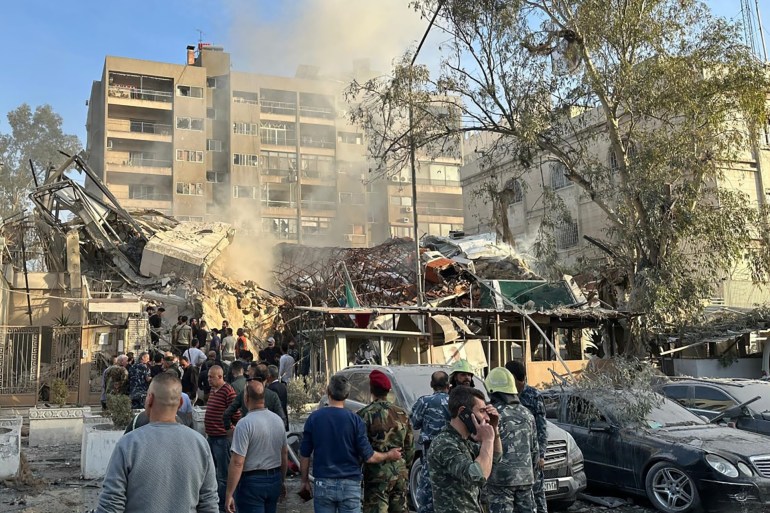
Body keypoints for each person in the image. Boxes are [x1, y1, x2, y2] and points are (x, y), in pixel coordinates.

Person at [96, 372, 218, 513]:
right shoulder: (200, 444)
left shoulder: (129, 444)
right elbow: (209, 502)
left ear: (149, 399)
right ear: (181, 403)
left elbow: (111, 504)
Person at [300, 374, 403, 513]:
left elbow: (304, 454)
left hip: (323, 483)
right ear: (347, 395)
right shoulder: (355, 420)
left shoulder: (314, 419)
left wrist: (304, 480)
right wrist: (389, 455)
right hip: (350, 485)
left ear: (328, 391)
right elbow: (369, 456)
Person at [428, 385, 502, 513]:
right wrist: (488, 440)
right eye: (481, 411)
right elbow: (478, 475)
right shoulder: (445, 443)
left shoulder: (464, 441)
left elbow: (495, 458)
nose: (487, 418)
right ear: (464, 412)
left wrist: (494, 430)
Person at [224, 380, 288, 513]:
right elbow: (284, 454)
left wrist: (229, 493)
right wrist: (281, 480)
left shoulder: (244, 424)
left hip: (252, 482)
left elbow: (237, 462)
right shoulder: (277, 420)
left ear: (246, 398)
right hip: (274, 477)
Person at [357, 370, 414, 513]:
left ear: (371, 389)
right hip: (400, 472)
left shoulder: (364, 414)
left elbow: (360, 448)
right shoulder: (402, 414)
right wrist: (404, 466)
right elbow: (410, 446)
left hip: (376, 474)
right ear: (388, 391)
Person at [486, 367, 538, 513]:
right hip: (526, 479)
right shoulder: (527, 414)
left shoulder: (493, 414)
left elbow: (486, 448)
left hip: (501, 481)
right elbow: (535, 451)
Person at [506, 360, 548, 513]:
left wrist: (541, 455)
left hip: (532, 454)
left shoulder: (533, 396)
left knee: (537, 493)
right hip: (512, 455)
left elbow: (542, 427)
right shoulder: (504, 396)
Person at [410, 370, 450, 513]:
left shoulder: (424, 401)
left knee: (427, 496)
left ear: (432, 384)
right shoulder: (455, 402)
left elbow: (414, 423)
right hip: (452, 454)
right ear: (448, 385)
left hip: (430, 454)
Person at [204, 365, 239, 512]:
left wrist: (229, 430)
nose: (209, 380)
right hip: (211, 437)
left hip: (222, 438)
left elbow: (236, 414)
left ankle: (225, 504)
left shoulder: (228, 391)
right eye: (208, 377)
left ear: (220, 376)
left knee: (223, 474)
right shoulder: (213, 390)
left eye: (211, 377)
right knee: (211, 471)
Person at [224, 363, 287, 430]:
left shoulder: (245, 392)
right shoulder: (273, 395)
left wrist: (229, 429)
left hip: (247, 431)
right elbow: (282, 420)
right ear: (268, 377)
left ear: (254, 375)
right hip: (267, 433)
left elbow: (227, 413)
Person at [266, 365, 289, 431]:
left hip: (276, 420)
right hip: (283, 418)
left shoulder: (271, 388)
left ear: (269, 375)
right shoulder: (282, 386)